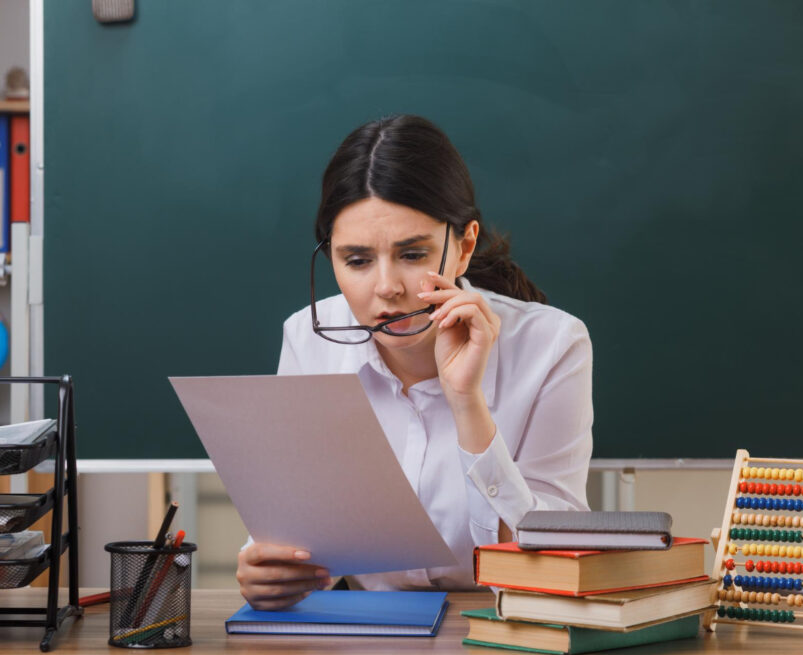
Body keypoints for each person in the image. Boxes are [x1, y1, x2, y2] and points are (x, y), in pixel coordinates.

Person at [236, 115, 593, 610]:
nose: (387, 288)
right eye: (357, 260)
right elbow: (293, 521)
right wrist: (267, 566)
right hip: (366, 635)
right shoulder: (307, 337)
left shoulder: (553, 345)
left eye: (412, 254)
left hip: (504, 628)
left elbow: (554, 554)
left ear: (465, 246)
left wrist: (467, 403)